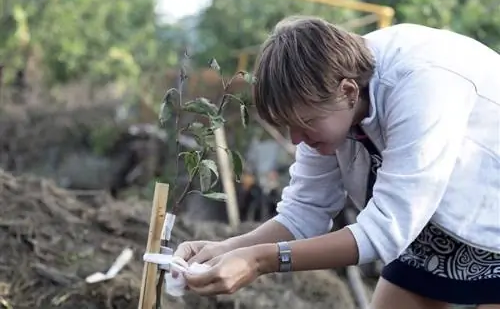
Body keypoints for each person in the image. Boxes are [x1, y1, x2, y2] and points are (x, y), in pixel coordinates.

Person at [172, 16, 500, 308]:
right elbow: (303, 213)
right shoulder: (326, 98)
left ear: (348, 92)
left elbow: (385, 231)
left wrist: (261, 261)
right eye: (288, 126)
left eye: (304, 123)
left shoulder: (423, 86)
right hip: (430, 238)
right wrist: (226, 249)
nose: (296, 140)